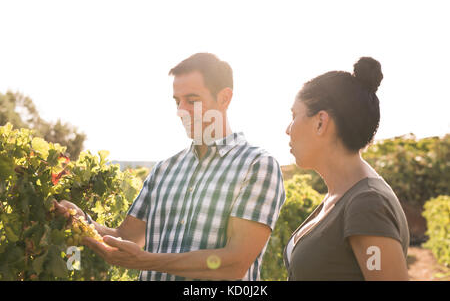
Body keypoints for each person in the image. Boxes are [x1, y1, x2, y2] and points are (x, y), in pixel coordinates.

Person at [54, 52, 285, 281]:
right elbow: (127, 238)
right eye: (177, 101)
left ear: (224, 99)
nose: (181, 111)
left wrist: (147, 261)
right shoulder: (164, 170)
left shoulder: (257, 166)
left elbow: (234, 264)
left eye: (192, 101)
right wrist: (80, 219)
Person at [284, 57, 410, 280]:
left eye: (294, 116)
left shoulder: (367, 203)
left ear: (320, 122)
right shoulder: (342, 195)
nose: (287, 129)